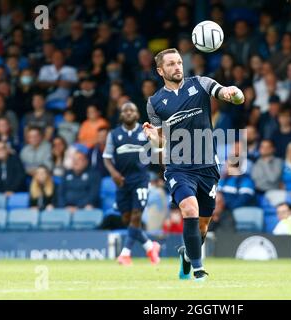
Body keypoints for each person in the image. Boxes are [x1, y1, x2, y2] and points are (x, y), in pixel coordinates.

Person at [142, 48, 244, 281]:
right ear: (160, 70)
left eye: (179, 62)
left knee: (203, 225)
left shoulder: (200, 83)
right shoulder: (155, 102)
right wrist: (153, 138)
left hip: (207, 165)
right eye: (170, 64)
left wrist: (233, 93)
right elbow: (160, 141)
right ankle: (198, 270)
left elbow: (228, 94)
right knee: (189, 208)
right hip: (178, 167)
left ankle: (187, 256)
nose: (177, 66)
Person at [103, 102, 161, 266]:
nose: (128, 113)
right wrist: (114, 173)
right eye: (125, 110)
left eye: (132, 110)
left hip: (141, 180)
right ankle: (151, 247)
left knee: (136, 215)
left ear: (137, 114)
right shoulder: (114, 134)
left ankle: (125, 254)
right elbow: (106, 157)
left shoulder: (145, 132)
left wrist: (163, 172)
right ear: (121, 115)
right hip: (122, 181)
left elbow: (157, 154)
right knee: (127, 219)